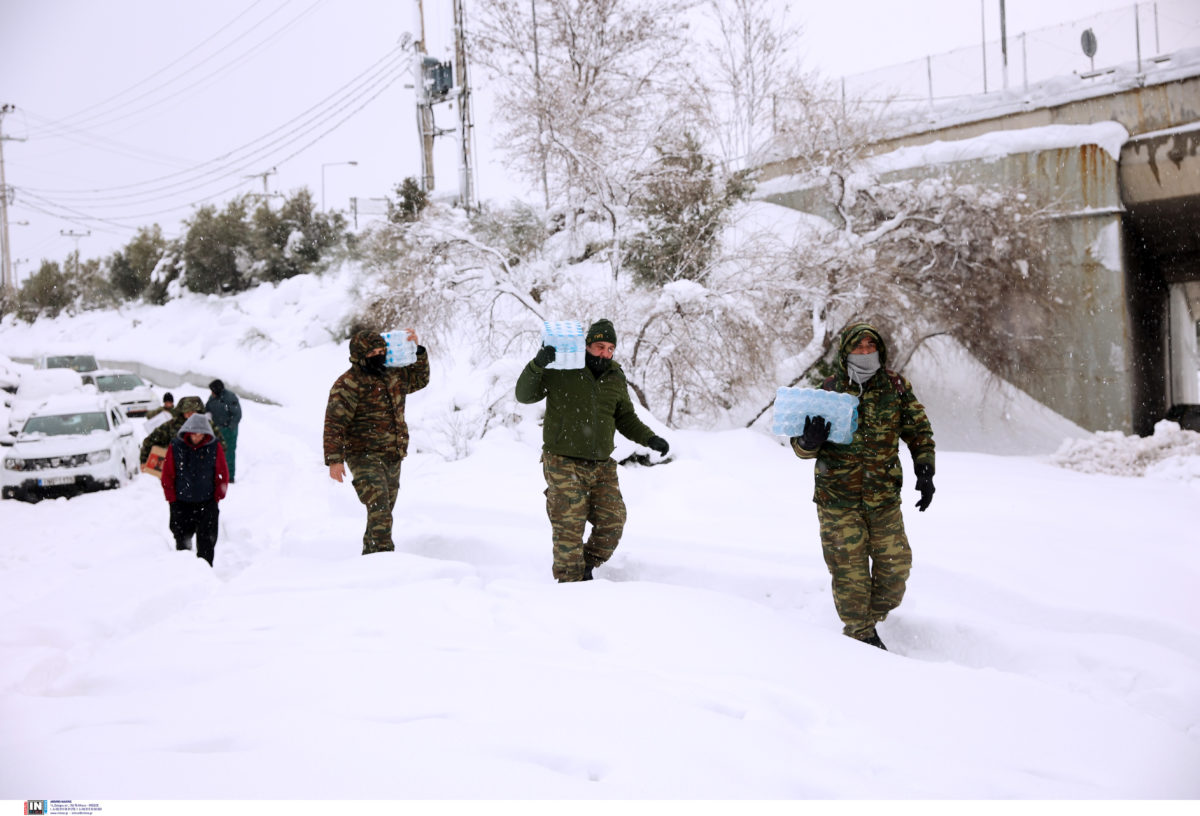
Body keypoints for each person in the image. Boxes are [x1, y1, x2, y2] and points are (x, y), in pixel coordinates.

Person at [790, 322, 935, 651]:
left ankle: (869, 618)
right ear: (846, 351)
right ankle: (860, 637)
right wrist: (809, 440)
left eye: (872, 346)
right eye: (859, 347)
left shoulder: (896, 386)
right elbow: (799, 447)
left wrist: (924, 469)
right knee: (849, 573)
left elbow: (918, 430)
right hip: (837, 501)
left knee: (896, 570)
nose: (866, 352)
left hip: (883, 499)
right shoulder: (828, 390)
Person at [515, 318, 670, 583]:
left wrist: (650, 438)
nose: (605, 353)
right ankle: (570, 584)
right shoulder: (562, 367)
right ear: (586, 345)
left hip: (601, 464)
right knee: (569, 525)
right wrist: (538, 364)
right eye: (599, 346)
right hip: (563, 460)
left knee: (613, 523)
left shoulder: (615, 377)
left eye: (610, 348)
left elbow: (625, 418)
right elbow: (524, 395)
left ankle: (585, 568)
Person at [323, 328, 430, 555]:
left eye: (382, 351)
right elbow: (335, 423)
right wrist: (335, 460)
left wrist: (418, 351)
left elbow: (420, 379)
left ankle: (371, 557)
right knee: (379, 506)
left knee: (383, 510)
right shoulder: (347, 384)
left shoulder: (393, 375)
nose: (379, 355)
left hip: (393, 454)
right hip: (363, 455)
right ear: (360, 355)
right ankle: (384, 559)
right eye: (374, 352)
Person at [160, 413, 230, 566]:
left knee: (207, 543)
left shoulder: (213, 447)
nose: (197, 437)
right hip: (181, 503)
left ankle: (205, 573)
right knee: (182, 542)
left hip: (207, 502)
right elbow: (168, 474)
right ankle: (184, 573)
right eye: (194, 434)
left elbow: (222, 473)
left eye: (200, 434)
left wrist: (218, 495)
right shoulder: (176, 446)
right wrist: (171, 499)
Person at [141, 395, 209, 466]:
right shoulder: (171, 425)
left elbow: (218, 445)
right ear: (182, 412)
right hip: (175, 467)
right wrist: (144, 460)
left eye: (193, 411)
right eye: (187, 411)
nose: (190, 414)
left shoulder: (206, 425)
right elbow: (150, 441)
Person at [206, 379, 243, 483]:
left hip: (229, 430)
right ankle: (216, 475)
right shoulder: (212, 398)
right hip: (216, 429)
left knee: (229, 453)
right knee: (215, 453)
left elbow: (237, 414)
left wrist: (230, 427)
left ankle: (229, 476)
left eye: (212, 391)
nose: (211, 393)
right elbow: (207, 408)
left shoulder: (230, 398)